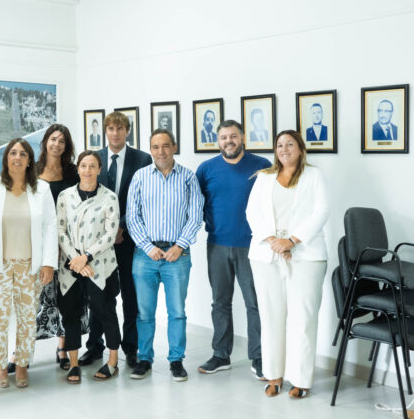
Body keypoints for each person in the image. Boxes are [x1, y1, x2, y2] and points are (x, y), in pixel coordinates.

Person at [246, 130, 329, 399]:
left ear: (301, 149)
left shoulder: (314, 176)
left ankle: (301, 379)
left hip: (306, 256)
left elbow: (322, 211)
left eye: (290, 144)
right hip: (267, 255)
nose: (284, 149)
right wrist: (274, 241)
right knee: (271, 316)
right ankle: (274, 375)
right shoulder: (264, 177)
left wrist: (292, 240)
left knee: (302, 318)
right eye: (280, 145)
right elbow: (252, 213)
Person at [0, 138, 57, 388]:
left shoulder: (41, 189)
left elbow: (50, 226)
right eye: (12, 153)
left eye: (22, 153)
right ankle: (0, 366)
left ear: (30, 159)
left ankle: (21, 364)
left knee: (27, 318)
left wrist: (49, 263)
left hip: (30, 265)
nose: (17, 157)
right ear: (6, 158)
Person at [126, 129, 203, 381]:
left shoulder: (189, 178)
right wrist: (148, 247)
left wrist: (179, 245)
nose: (161, 152)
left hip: (177, 256)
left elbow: (195, 216)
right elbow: (132, 216)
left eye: (165, 146)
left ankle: (176, 360)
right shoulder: (140, 177)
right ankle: (144, 358)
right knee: (145, 312)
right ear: (151, 149)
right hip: (145, 255)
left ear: (174, 147)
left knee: (177, 311)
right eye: (155, 147)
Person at [195, 121, 270, 379]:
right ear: (218, 141)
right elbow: (197, 203)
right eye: (224, 137)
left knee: (255, 303)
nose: (229, 141)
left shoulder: (262, 166)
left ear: (243, 138)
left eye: (234, 136)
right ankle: (221, 354)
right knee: (220, 302)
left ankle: (259, 357)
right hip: (217, 244)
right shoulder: (206, 169)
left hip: (252, 246)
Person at [82, 111, 151, 368]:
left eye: (120, 129)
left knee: (131, 296)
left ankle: (131, 348)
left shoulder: (142, 159)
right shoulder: (94, 158)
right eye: (110, 128)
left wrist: (122, 227)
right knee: (99, 294)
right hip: (98, 243)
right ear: (106, 131)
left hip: (129, 239)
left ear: (127, 131)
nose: (115, 133)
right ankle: (95, 346)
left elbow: (144, 200)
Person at [56, 151, 122, 383]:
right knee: (71, 314)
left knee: (105, 312)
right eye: (83, 165)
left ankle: (113, 360)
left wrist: (87, 257)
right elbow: (60, 230)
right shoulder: (65, 196)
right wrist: (76, 258)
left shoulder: (109, 197)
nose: (87, 170)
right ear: (78, 168)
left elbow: (110, 233)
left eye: (92, 166)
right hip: (71, 265)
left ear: (99, 169)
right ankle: (73, 363)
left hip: (100, 265)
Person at [32, 124, 86, 372]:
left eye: (62, 141)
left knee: (67, 298)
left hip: (67, 243)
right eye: (53, 139)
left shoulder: (73, 172)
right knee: (33, 300)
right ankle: (21, 351)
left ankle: (64, 348)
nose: (57, 144)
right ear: (45, 142)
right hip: (39, 243)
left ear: (67, 146)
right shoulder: (32, 170)